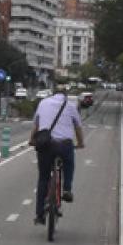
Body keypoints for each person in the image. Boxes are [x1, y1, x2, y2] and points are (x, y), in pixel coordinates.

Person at [31, 88, 84, 224]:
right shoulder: (70, 106)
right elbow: (78, 127)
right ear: (65, 96)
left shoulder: (43, 103)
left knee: (43, 178)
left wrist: (32, 140)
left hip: (46, 145)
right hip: (64, 145)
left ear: (53, 94)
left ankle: (40, 214)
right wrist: (81, 143)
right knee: (69, 163)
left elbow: (36, 125)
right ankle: (66, 188)